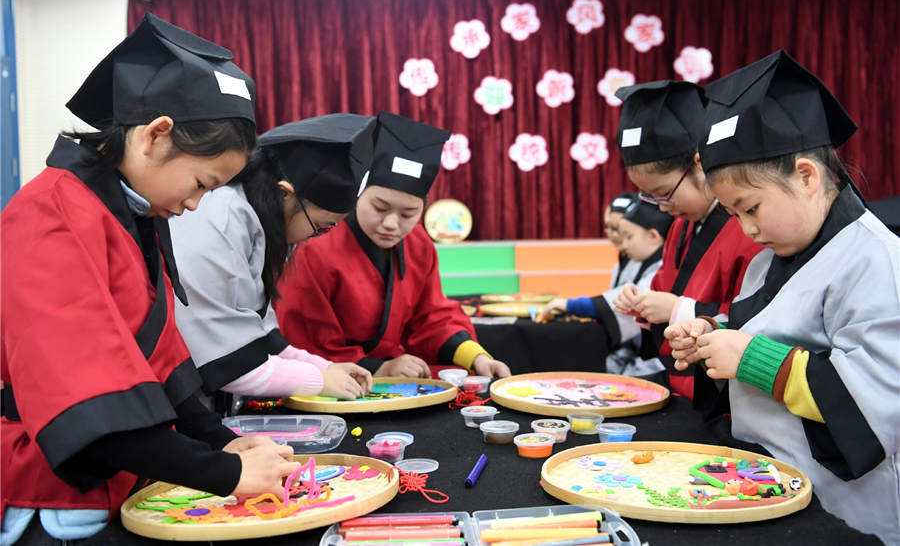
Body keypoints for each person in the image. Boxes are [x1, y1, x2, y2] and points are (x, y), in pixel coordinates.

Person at [0, 14, 297, 545]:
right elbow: (85, 402)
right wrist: (225, 473)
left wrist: (222, 441)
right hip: (48, 492)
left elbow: (159, 363)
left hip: (123, 478)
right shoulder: (51, 212)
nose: (195, 204)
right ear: (155, 136)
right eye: (202, 183)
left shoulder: (130, 214)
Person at [665, 50, 899, 544]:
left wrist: (751, 358)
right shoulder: (766, 260)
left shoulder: (877, 260)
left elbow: (879, 404)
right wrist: (710, 337)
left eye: (751, 208)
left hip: (842, 509)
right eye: (733, 215)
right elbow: (765, 332)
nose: (746, 229)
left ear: (807, 176)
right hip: (769, 483)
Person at [276, 111, 510, 379]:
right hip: (333, 374)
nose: (391, 224)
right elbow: (304, 338)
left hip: (394, 370)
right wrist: (379, 369)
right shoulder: (316, 244)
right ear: (358, 195)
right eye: (379, 207)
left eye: (408, 214)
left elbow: (431, 317)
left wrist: (476, 357)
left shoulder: (419, 244)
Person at [170, 115, 377, 413]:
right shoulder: (217, 220)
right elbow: (225, 360)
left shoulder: (254, 220)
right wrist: (319, 380)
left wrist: (326, 367)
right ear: (284, 193)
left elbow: (263, 341)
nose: (313, 238)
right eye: (321, 226)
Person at [610, 80, 763, 407]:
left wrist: (678, 309)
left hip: (724, 401)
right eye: (650, 197)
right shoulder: (681, 226)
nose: (661, 207)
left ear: (699, 164)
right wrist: (642, 303)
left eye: (664, 192)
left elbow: (755, 318)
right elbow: (663, 287)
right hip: (678, 386)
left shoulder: (747, 229)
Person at [540, 200, 673, 377]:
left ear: (653, 236)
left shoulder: (663, 267)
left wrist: (573, 305)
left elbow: (625, 305)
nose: (622, 242)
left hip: (655, 362)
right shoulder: (634, 260)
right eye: (608, 227)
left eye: (628, 236)